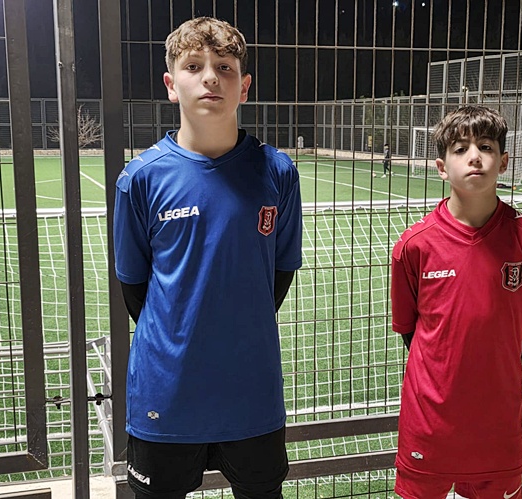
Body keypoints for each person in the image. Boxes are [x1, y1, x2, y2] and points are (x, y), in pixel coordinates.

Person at [113, 16, 302, 499]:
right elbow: (134, 286)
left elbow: (279, 273)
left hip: (251, 391)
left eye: (224, 67)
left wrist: (237, 326)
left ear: (244, 87)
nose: (210, 77)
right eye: (194, 66)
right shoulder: (140, 178)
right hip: (167, 392)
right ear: (170, 84)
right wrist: (181, 333)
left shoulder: (277, 172)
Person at [390, 105, 522, 499]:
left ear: (504, 162)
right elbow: (411, 332)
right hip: (429, 421)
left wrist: (489, 363)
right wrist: (448, 369)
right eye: (461, 149)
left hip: (497, 423)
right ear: (441, 167)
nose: (475, 156)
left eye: (486, 147)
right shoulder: (414, 246)